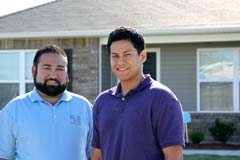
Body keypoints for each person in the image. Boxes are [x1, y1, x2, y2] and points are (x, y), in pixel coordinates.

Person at [91, 26, 185, 160]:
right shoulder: (102, 102)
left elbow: (174, 157)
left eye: (127, 55)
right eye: (115, 56)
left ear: (143, 56)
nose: (120, 62)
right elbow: (97, 156)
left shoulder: (163, 99)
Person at [0, 45, 93, 160]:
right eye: (47, 68)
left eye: (60, 69)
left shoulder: (84, 107)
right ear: (34, 71)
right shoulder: (14, 109)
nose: (53, 75)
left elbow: (94, 155)